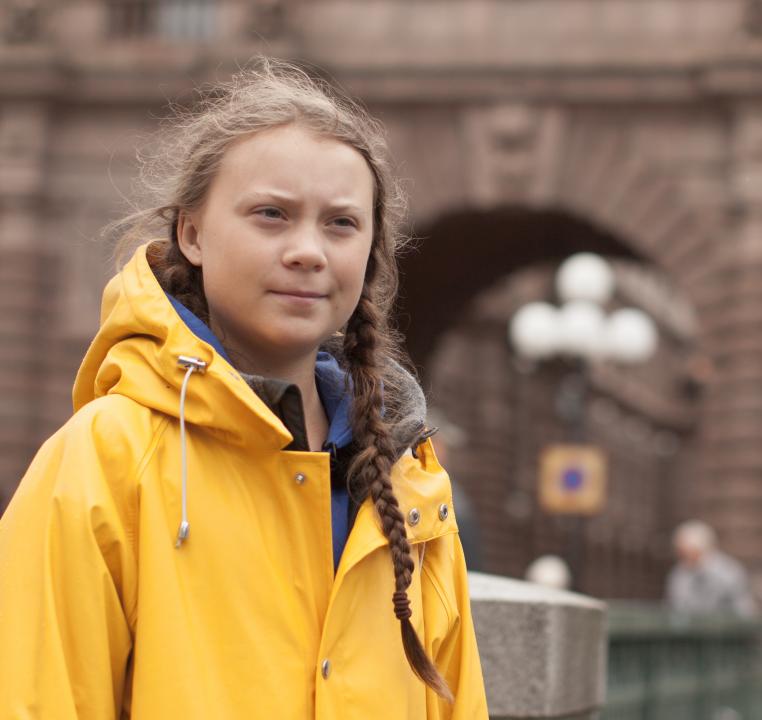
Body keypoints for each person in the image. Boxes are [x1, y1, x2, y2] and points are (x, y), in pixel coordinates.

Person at [0, 58, 487, 718]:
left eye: (341, 223)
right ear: (192, 233)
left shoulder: (412, 482)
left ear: (370, 252)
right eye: (271, 215)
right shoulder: (106, 459)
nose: (308, 250)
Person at [664, 520, 756, 617]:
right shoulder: (679, 573)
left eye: (685, 551)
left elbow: (743, 609)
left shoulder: (728, 572)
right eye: (679, 551)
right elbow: (675, 606)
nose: (681, 555)